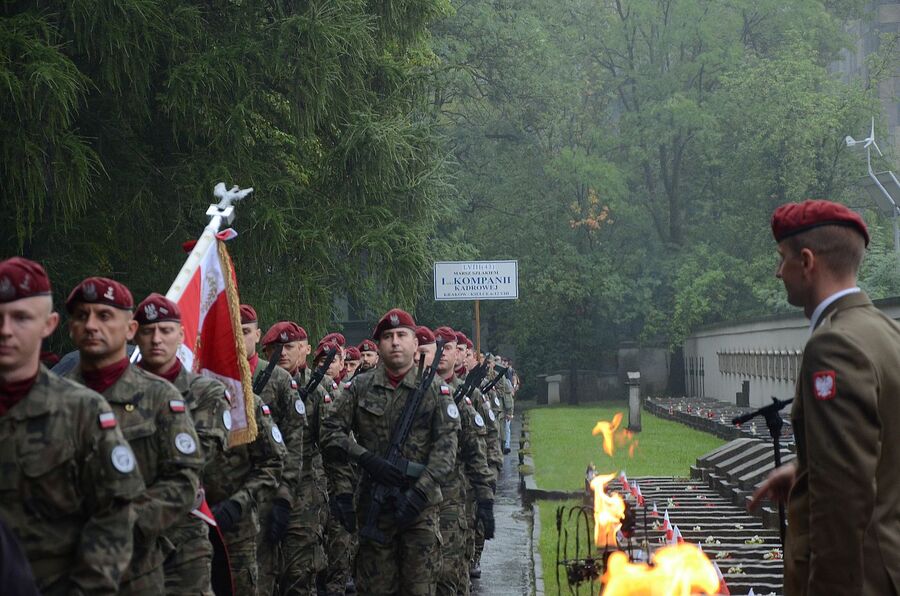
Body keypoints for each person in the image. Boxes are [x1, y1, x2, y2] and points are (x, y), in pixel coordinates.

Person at [750, 199, 900, 596]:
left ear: (807, 261)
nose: (778, 272)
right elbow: (881, 449)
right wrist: (806, 470)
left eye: (782, 258)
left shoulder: (833, 345)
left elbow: (842, 503)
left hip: (857, 581)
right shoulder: (887, 332)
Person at [0, 258, 144, 595]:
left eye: (21, 318)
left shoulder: (82, 411)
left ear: (49, 324)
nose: (5, 330)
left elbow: (115, 516)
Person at [64, 276, 203, 594]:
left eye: (104, 315)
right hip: (61, 570)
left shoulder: (160, 397)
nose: (91, 325)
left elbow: (184, 481)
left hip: (136, 571)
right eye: (82, 316)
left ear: (129, 330)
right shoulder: (51, 397)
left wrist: (120, 525)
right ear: (70, 327)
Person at [321, 309, 460, 595]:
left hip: (419, 510)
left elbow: (446, 448)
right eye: (387, 337)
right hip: (374, 505)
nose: (395, 342)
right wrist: (363, 459)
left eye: (401, 335)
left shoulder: (434, 389)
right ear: (379, 344)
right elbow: (330, 433)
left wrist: (420, 492)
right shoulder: (359, 387)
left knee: (420, 589)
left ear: (415, 343)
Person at [133, 293, 231, 595]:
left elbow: (196, 457)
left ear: (181, 334)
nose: (156, 339)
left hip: (184, 528)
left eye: (165, 330)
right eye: (148, 331)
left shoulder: (206, 392)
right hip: (126, 530)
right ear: (135, 334)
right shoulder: (119, 391)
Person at [240, 306, 307, 595]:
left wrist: (284, 497)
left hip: (268, 492)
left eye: (245, 331)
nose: (239, 337)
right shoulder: (213, 376)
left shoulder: (278, 379)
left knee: (265, 578)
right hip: (229, 494)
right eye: (233, 331)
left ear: (257, 335)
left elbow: (294, 441)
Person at [260, 321, 329, 596]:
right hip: (262, 489)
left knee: (299, 574)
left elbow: (330, 443)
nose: (282, 353)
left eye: (289, 347)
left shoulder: (317, 390)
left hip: (303, 494)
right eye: (275, 348)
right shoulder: (255, 386)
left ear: (304, 349)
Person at [432, 327, 494, 596]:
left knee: (454, 569)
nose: (442, 354)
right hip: (422, 495)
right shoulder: (419, 392)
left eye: (448, 348)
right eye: (437, 348)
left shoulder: (470, 395)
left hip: (459, 493)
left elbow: (484, 443)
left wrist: (485, 492)